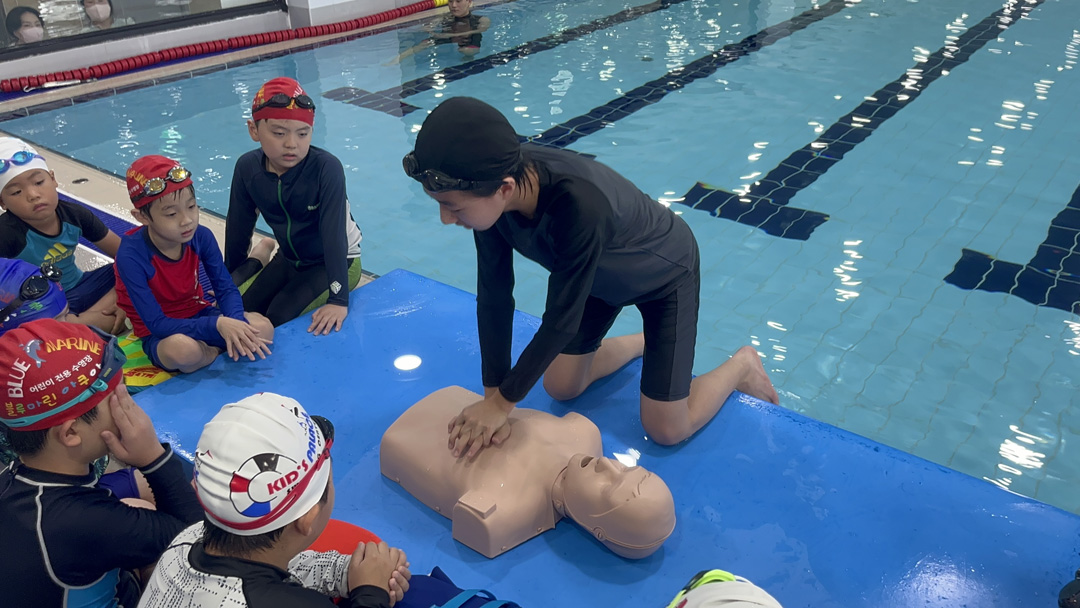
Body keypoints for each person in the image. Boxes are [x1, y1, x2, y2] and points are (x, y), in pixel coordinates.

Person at [403, 97, 780, 458]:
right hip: (596, 277)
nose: (446, 219)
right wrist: (492, 401)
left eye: (451, 207)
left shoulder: (578, 204)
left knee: (666, 428)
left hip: (664, 275)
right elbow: (494, 298)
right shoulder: (489, 189)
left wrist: (503, 404)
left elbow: (560, 320)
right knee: (561, 386)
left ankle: (742, 364)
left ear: (505, 189)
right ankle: (647, 341)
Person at [0, 319, 203, 608]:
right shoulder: (86, 521)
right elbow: (201, 543)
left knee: (138, 505)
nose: (133, 408)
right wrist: (154, 459)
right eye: (119, 400)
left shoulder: (18, 482)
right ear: (71, 433)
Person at [139, 392, 411, 607]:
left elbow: (261, 573)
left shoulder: (187, 541)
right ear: (308, 517)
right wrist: (371, 593)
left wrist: (346, 572)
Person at [381, 386, 676, 559]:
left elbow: (473, 521)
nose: (608, 464)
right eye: (626, 469)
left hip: (406, 437)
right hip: (452, 404)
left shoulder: (503, 513)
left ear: (598, 531)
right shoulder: (583, 433)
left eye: (609, 486)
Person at [225, 77, 364, 334]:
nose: (292, 144)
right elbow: (237, 231)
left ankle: (264, 251)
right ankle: (264, 251)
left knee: (276, 320)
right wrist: (228, 282)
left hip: (337, 262)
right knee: (237, 311)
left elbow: (334, 237)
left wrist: (338, 299)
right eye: (279, 133)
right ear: (254, 130)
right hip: (288, 258)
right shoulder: (247, 168)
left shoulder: (326, 169)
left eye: (303, 133)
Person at [114, 154, 274, 373]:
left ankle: (208, 352)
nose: (187, 220)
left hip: (197, 312)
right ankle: (211, 352)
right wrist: (218, 325)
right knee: (183, 351)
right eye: (171, 214)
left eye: (191, 206)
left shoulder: (201, 236)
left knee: (264, 328)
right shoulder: (131, 256)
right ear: (142, 217)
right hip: (162, 332)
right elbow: (157, 323)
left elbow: (225, 288)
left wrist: (235, 323)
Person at [0, 137, 126, 334]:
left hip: (82, 286)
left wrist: (123, 298)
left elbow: (126, 254)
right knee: (30, 322)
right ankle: (82, 323)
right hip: (40, 304)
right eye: (16, 192)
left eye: (39, 182)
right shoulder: (6, 234)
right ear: (2, 203)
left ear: (53, 179)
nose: (33, 194)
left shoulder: (75, 215)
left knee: (137, 265)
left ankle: (78, 324)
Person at [391, 0, 490, 64]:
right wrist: (430, 29)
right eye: (450, 1)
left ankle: (468, 60)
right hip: (445, 37)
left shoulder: (482, 19)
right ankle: (397, 60)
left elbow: (481, 30)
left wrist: (452, 35)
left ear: (469, 2)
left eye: (458, 1)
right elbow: (428, 27)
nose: (454, 5)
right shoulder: (444, 17)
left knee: (468, 51)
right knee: (424, 43)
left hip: (468, 40)